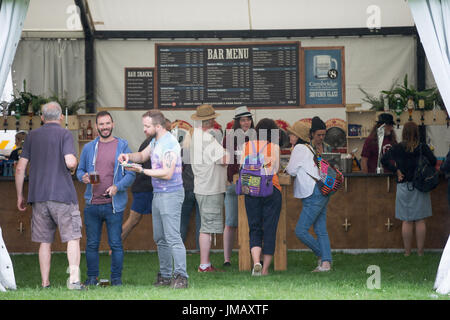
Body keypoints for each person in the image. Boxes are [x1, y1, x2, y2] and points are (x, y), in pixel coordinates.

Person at [15, 101, 84, 289]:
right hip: (63, 195)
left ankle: (45, 283)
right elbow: (70, 162)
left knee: (44, 242)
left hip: (38, 197)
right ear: (61, 117)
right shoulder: (65, 134)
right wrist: (75, 162)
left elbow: (20, 167)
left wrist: (20, 195)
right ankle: (74, 281)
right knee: (72, 237)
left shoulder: (31, 137)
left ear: (42, 118)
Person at [118, 110, 188, 289]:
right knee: (160, 237)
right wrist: (129, 157)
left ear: (158, 126)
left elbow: (167, 172)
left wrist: (141, 170)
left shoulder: (170, 143)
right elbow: (142, 156)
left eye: (147, 126)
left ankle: (181, 276)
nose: (144, 129)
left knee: (172, 237)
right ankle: (165, 276)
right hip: (158, 194)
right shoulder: (155, 141)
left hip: (171, 194)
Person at [77, 111, 135, 286]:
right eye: (101, 124)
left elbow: (131, 173)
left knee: (116, 244)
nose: (104, 127)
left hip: (114, 205)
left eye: (107, 123)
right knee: (91, 244)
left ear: (113, 124)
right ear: (96, 127)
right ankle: (91, 278)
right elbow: (79, 170)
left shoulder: (123, 146)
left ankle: (116, 280)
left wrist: (118, 186)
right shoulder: (88, 148)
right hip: (92, 204)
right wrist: (83, 177)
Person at [381, 121, 436, 256]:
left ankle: (407, 252)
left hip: (404, 186)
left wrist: (397, 170)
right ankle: (420, 252)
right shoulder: (423, 147)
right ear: (417, 133)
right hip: (420, 186)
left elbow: (384, 160)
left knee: (407, 220)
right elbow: (434, 162)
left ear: (404, 133)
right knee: (420, 219)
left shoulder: (398, 147)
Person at [285, 120, 332, 272]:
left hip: (312, 193)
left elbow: (291, 170)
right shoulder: (309, 148)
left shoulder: (299, 148)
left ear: (297, 136)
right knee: (320, 230)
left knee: (301, 230)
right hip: (321, 191)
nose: (290, 136)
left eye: (292, 134)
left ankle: (324, 257)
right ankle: (325, 264)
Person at [240, 118, 282, 276]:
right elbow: (276, 168)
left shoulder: (246, 146)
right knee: (270, 228)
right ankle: (264, 270)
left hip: (251, 189)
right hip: (271, 189)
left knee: (255, 227)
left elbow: (242, 166)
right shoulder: (275, 147)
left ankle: (256, 262)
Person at [190, 104, 228, 272]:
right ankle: (204, 265)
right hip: (210, 187)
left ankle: (205, 263)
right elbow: (224, 159)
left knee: (206, 225)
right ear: (210, 120)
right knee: (207, 227)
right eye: (213, 118)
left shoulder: (196, 136)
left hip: (204, 185)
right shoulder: (206, 139)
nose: (214, 120)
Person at [222, 106, 255, 266]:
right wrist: (228, 179)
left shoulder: (255, 137)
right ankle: (227, 259)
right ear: (237, 122)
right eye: (242, 120)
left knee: (251, 222)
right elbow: (225, 161)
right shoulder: (229, 137)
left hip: (251, 185)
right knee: (230, 222)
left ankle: (252, 255)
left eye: (248, 119)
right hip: (233, 183)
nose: (246, 122)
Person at [121, 136, 153, 242]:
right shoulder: (151, 143)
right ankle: (115, 245)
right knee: (133, 219)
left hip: (147, 186)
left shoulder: (156, 142)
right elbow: (145, 163)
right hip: (144, 187)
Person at [179, 128, 201, 251]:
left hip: (185, 188)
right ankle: (200, 248)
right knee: (200, 222)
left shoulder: (182, 151)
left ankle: (179, 248)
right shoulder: (202, 152)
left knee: (182, 221)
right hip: (199, 188)